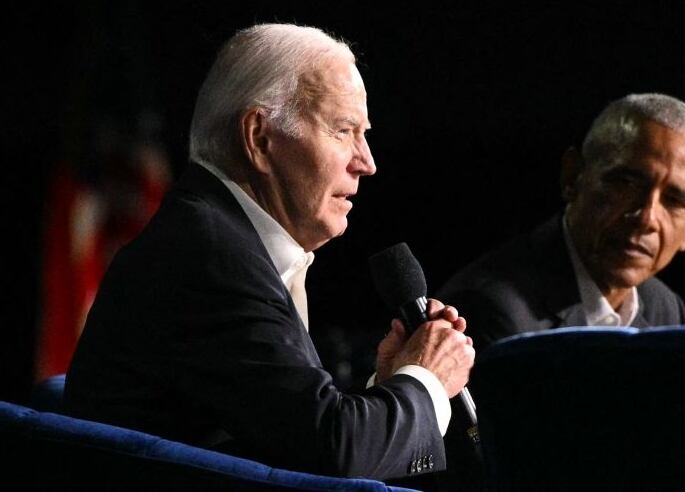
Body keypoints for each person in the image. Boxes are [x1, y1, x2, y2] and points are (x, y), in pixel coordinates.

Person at [64, 23, 475, 482]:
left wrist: (393, 384)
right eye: (343, 130)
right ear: (259, 137)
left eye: (365, 134)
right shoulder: (209, 258)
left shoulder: (225, 239)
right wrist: (426, 379)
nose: (367, 162)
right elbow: (330, 452)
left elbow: (287, 437)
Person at [438, 93, 685, 350]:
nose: (646, 218)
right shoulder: (491, 309)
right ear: (572, 177)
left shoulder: (665, 309)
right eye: (626, 183)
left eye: (674, 201)